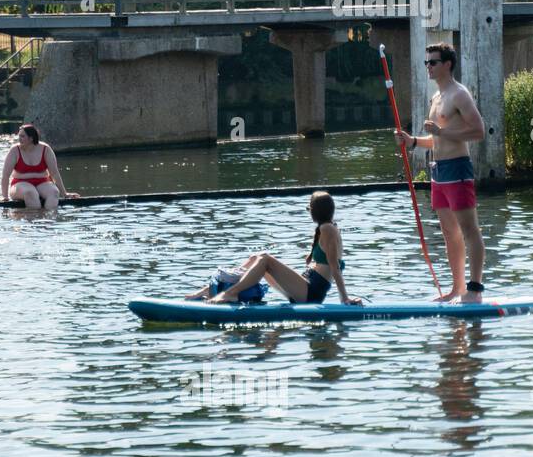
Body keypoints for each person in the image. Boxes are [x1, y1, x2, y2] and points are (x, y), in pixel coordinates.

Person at [395, 41, 487, 302]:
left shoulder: (459, 94)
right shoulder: (436, 97)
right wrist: (412, 141)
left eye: (433, 62)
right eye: (426, 62)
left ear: (447, 64)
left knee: (470, 230)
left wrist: (441, 131)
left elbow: (478, 131)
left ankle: (475, 290)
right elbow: (436, 140)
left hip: (457, 168)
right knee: (449, 232)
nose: (428, 67)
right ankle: (457, 289)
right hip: (438, 171)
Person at [200, 191, 361, 305]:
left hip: (311, 293)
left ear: (315, 211)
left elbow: (334, 266)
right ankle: (215, 288)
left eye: (309, 210)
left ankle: (230, 293)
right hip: (303, 288)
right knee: (256, 258)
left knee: (265, 259)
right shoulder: (325, 228)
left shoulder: (328, 229)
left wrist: (344, 299)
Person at [0, 124, 78, 210]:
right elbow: (5, 176)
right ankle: (35, 219)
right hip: (19, 184)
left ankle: (49, 220)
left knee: (54, 192)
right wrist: (5, 197)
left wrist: (65, 194)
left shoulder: (45, 149)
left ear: (31, 138)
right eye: (19, 136)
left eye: (22, 136)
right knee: (30, 192)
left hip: (42, 182)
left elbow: (54, 173)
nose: (19, 139)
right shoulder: (14, 150)